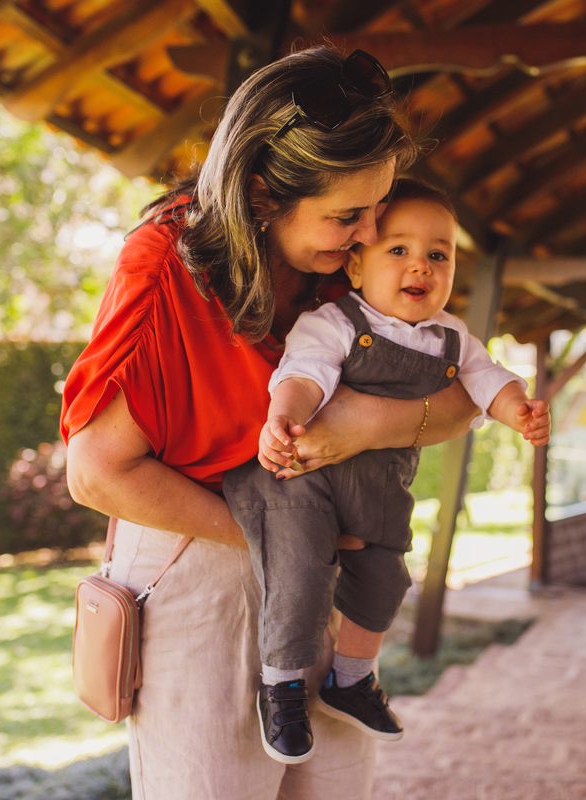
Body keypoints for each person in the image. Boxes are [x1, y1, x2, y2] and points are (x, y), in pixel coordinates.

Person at [62, 47, 481, 800]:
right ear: (260, 193)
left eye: (376, 211)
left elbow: (461, 392)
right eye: (347, 216)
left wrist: (364, 425)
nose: (366, 237)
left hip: (324, 570)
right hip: (204, 566)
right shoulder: (164, 267)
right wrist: (289, 534)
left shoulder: (341, 266)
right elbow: (96, 471)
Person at [223, 179, 552, 764]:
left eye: (438, 254)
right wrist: (285, 417)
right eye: (397, 250)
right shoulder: (335, 320)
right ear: (355, 267)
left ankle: (353, 680)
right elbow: (304, 373)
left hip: (379, 490)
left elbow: (488, 381)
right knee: (300, 574)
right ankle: (282, 687)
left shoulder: (452, 336)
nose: (419, 266)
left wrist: (517, 409)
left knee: (385, 582)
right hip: (307, 479)